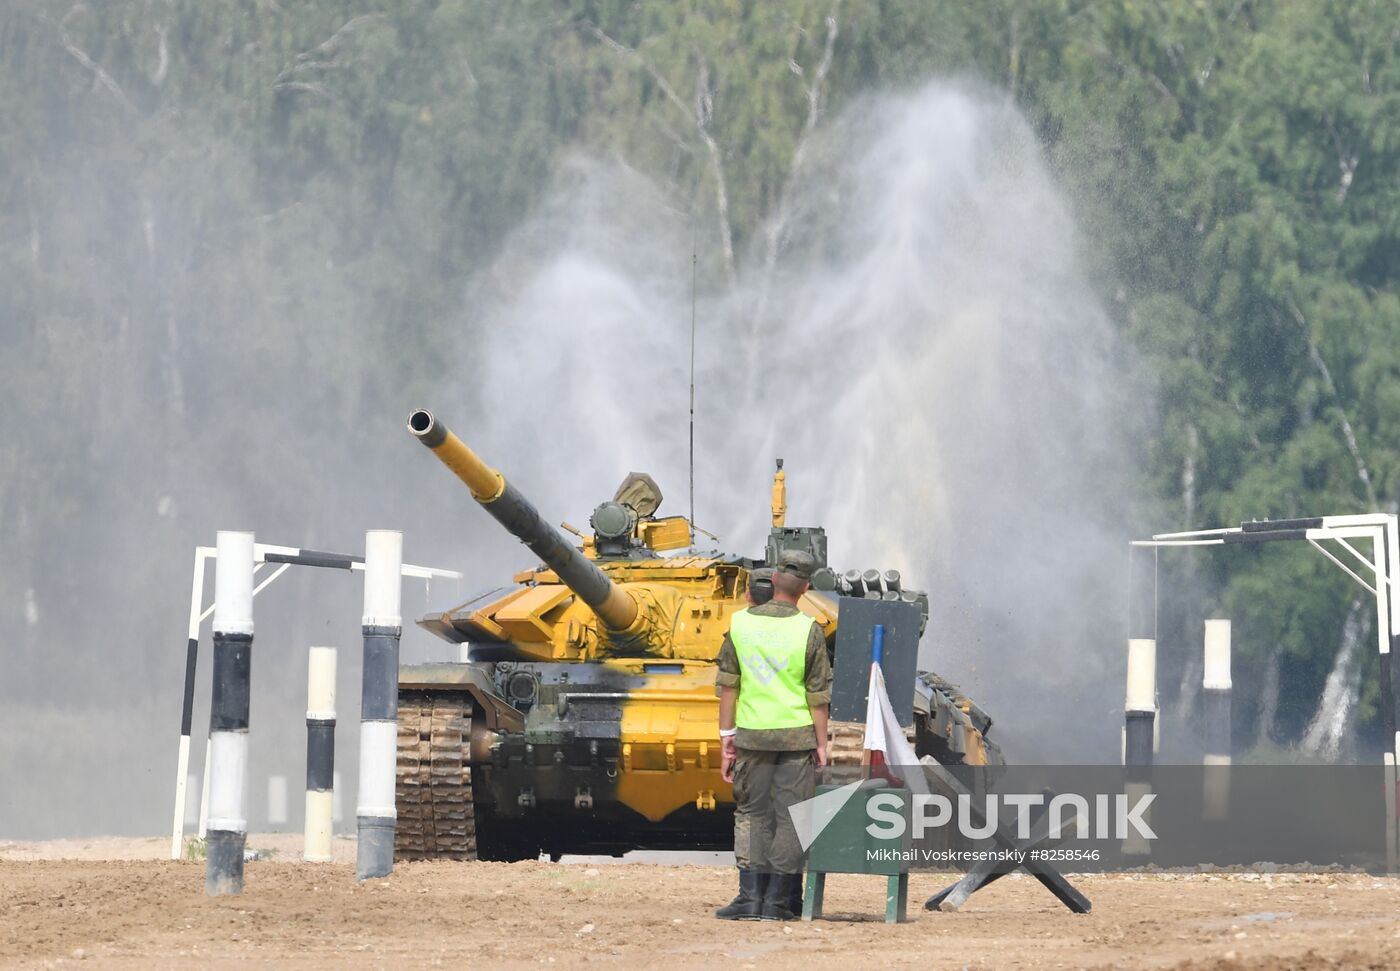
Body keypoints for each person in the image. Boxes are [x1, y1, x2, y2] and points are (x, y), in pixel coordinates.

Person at [714, 550, 831, 921]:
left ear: (774, 581)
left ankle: (750, 898)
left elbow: (728, 686)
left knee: (751, 815)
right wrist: (823, 743)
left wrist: (726, 737)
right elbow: (818, 697)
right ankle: (779, 902)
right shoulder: (809, 629)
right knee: (793, 817)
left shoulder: (740, 625)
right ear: (806, 588)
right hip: (796, 739)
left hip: (751, 738)